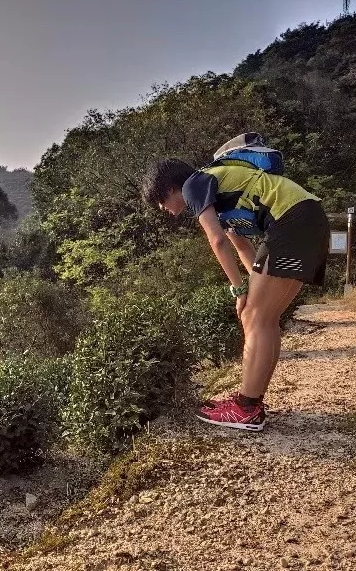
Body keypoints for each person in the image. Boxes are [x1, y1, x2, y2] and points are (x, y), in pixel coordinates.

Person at [141, 139, 330, 431]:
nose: (163, 209)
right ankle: (252, 401)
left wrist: (240, 290)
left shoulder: (194, 185)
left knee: (256, 317)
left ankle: (245, 409)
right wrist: (248, 287)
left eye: (160, 202)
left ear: (169, 189)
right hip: (308, 218)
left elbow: (216, 241)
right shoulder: (220, 190)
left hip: (291, 221)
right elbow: (241, 247)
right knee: (263, 317)